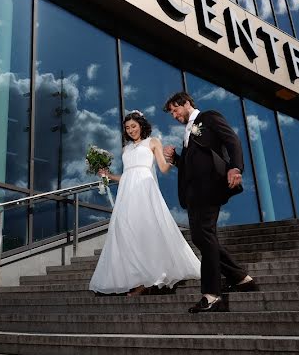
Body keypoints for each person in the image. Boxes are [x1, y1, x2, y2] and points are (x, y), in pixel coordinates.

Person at [163, 91, 258, 313]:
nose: (175, 116)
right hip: (193, 192)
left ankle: (212, 294)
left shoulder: (209, 117)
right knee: (201, 237)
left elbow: (231, 139)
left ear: (186, 103)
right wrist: (176, 159)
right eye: (172, 114)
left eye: (176, 110)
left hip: (210, 188)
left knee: (204, 235)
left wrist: (236, 167)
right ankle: (241, 277)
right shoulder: (187, 132)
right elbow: (192, 163)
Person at [89, 111, 201, 296]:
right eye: (127, 128)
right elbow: (126, 175)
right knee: (127, 233)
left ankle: (148, 279)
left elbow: (163, 168)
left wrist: (173, 158)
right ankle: (136, 278)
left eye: (134, 126)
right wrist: (108, 175)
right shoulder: (126, 149)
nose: (131, 130)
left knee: (146, 230)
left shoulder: (153, 141)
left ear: (141, 125)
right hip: (127, 193)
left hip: (145, 189)